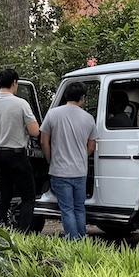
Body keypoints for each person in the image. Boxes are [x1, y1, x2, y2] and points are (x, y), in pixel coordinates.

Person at [0, 68, 40, 230]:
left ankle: (0, 232)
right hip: (16, 155)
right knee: (28, 196)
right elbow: (34, 131)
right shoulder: (21, 104)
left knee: (3, 196)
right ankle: (23, 233)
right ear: (14, 83)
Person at [40, 82, 98, 239]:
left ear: (66, 95)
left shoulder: (53, 114)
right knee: (79, 207)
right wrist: (80, 156)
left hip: (59, 171)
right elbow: (92, 146)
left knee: (67, 209)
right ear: (82, 98)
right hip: (80, 171)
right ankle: (82, 239)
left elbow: (43, 141)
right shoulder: (88, 118)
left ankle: (73, 241)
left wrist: (50, 159)